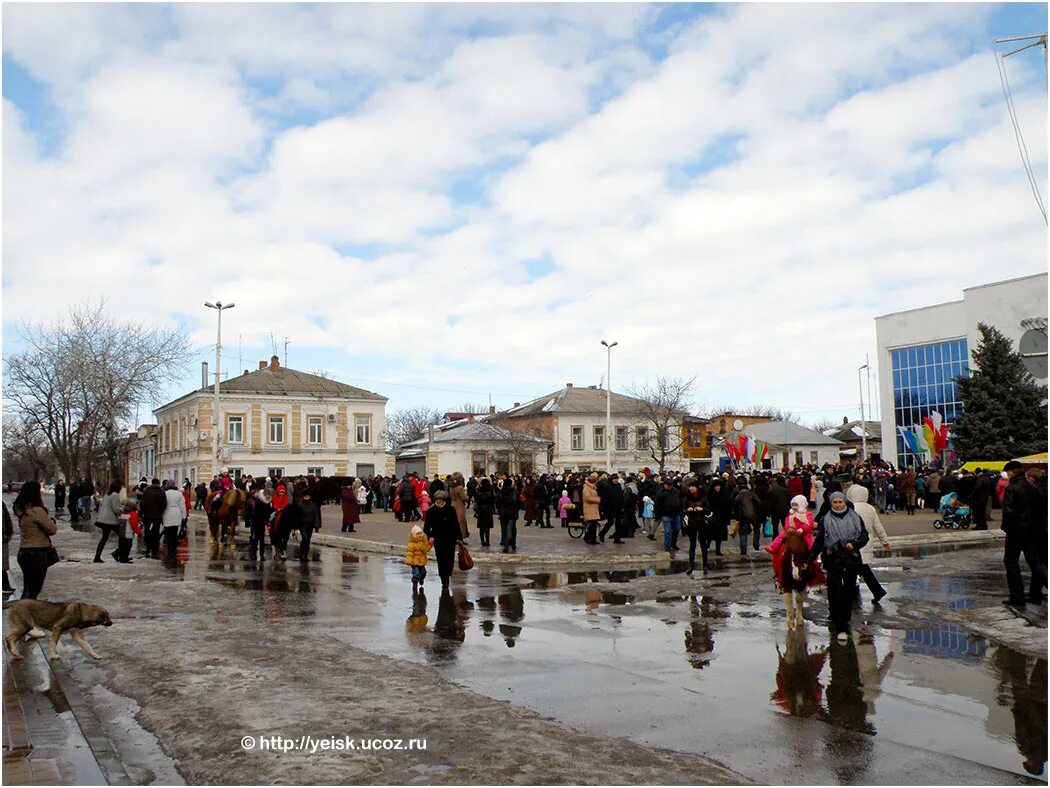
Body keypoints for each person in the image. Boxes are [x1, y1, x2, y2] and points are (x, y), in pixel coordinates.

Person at [808, 491, 870, 641]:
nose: (837, 505)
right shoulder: (826, 519)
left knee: (848, 592)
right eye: (834, 502)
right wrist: (808, 559)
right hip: (832, 559)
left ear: (845, 503)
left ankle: (845, 620)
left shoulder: (855, 518)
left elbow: (864, 536)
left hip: (851, 559)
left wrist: (853, 544)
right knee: (835, 592)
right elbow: (820, 541)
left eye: (840, 502)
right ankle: (839, 624)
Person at [1001, 460, 1047, 609]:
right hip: (1033, 530)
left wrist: (1006, 528)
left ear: (1011, 472)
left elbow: (1008, 512)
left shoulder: (1012, 487)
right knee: (1035, 563)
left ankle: (1017, 598)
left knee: (1011, 562)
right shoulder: (1032, 486)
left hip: (1016, 531)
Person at [12, 482, 58, 600]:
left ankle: (23, 612)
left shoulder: (21, 510)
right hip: (37, 553)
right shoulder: (36, 510)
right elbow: (51, 530)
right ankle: (25, 614)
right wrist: (52, 522)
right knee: (33, 590)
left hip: (24, 552)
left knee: (28, 588)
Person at [845, 484, 889, 603]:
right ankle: (875, 591)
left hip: (855, 542)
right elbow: (878, 527)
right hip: (867, 541)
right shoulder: (870, 508)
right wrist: (884, 541)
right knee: (861, 568)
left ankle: (874, 591)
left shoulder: (851, 507)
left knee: (857, 568)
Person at [423, 490, 464, 590]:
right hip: (438, 539)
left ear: (444, 499)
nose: (439, 501)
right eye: (438, 499)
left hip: (450, 538)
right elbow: (427, 527)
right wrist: (428, 538)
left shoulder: (450, 510)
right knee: (441, 559)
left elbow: (456, 525)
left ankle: (448, 573)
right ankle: (443, 579)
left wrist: (459, 538)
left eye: (441, 499)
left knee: (450, 558)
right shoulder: (431, 511)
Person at [92, 480, 124, 563]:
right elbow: (116, 509)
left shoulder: (107, 494)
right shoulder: (115, 495)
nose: (121, 488)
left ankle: (97, 557)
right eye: (120, 487)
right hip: (111, 520)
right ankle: (117, 554)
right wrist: (122, 511)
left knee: (104, 538)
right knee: (124, 537)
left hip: (103, 519)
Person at [681, 482, 707, 574]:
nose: (691, 488)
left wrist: (702, 509)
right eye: (690, 487)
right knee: (692, 545)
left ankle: (705, 565)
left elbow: (708, 509)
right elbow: (683, 510)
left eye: (693, 487)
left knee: (703, 544)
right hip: (691, 523)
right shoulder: (687, 499)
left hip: (701, 522)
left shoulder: (703, 498)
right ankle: (691, 565)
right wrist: (687, 510)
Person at [139, 478, 167, 559]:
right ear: (158, 483)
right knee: (156, 532)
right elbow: (164, 503)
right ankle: (154, 549)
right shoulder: (161, 491)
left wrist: (141, 513)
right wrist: (161, 512)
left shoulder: (147, 491)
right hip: (157, 516)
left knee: (147, 531)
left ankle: (148, 548)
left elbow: (143, 503)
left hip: (147, 515)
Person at [654, 477, 683, 553]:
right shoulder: (660, 493)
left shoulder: (676, 491)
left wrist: (681, 509)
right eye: (667, 485)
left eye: (670, 485)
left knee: (676, 529)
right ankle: (667, 546)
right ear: (664, 484)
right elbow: (657, 504)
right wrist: (657, 514)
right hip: (666, 514)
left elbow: (680, 500)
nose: (668, 486)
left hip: (676, 513)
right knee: (668, 531)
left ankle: (673, 543)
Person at [161, 479, 187, 559]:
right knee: (175, 531)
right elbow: (183, 506)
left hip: (167, 513)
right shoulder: (179, 494)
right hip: (176, 513)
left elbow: (162, 505)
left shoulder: (165, 494)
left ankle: (169, 546)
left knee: (168, 532)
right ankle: (174, 547)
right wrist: (184, 517)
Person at [405, 523, 432, 593]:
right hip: (414, 562)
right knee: (416, 573)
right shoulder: (411, 544)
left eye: (420, 533)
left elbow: (426, 549)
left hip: (422, 561)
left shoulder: (423, 542)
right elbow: (409, 553)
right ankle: (415, 584)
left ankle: (421, 578)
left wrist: (430, 544)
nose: (419, 535)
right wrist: (409, 561)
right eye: (417, 534)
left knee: (423, 572)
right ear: (413, 535)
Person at [496, 477, 519, 553]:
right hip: (512, 513)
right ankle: (512, 543)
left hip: (503, 513)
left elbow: (497, 503)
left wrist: (499, 512)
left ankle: (506, 544)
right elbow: (517, 502)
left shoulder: (500, 492)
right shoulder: (514, 492)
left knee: (504, 528)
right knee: (512, 528)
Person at [297, 490, 321, 561]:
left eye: (308, 496)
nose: (306, 498)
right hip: (302, 525)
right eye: (305, 496)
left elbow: (316, 515)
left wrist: (317, 524)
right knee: (305, 539)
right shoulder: (300, 505)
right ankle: (301, 554)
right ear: (303, 497)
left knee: (308, 540)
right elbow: (297, 516)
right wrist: (296, 525)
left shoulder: (313, 505)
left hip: (310, 525)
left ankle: (305, 555)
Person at [248, 487, 271, 561]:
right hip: (257, 521)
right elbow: (258, 512)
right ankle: (254, 552)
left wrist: (267, 521)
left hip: (263, 522)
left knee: (262, 539)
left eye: (268, 494)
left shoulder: (269, 501)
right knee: (256, 537)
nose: (267, 496)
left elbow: (268, 511)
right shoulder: (259, 501)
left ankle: (262, 554)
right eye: (266, 494)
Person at [474, 477, 495, 547]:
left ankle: (482, 540)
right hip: (488, 510)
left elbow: (477, 501)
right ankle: (488, 541)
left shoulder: (478, 491)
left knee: (481, 527)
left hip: (481, 511)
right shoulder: (491, 491)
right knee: (487, 527)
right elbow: (493, 500)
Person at [582, 474, 601, 545]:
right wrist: (597, 499)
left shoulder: (592, 488)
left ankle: (592, 539)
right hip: (589, 508)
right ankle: (588, 537)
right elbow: (587, 498)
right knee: (592, 525)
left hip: (593, 508)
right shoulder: (586, 488)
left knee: (594, 525)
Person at [450, 473, 469, 540]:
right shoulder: (460, 488)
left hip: (453, 504)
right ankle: (461, 537)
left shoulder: (451, 487)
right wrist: (467, 499)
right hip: (459, 505)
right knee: (461, 522)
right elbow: (463, 498)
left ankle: (454, 536)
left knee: (453, 521)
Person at [2, 502, 14, 596]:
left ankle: (5, 585)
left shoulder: (1, 504)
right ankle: (5, 585)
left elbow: (7, 519)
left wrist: (9, 532)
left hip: (3, 538)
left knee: (3, 563)